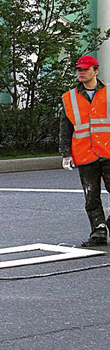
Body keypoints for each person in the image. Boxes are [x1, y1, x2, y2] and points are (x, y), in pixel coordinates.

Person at [60, 54, 110, 247]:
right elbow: (66, 127)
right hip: (85, 154)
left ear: (95, 71)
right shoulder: (69, 97)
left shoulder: (108, 92)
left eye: (85, 69)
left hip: (108, 152)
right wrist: (66, 153)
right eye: (79, 70)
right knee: (91, 196)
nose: (81, 73)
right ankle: (98, 232)